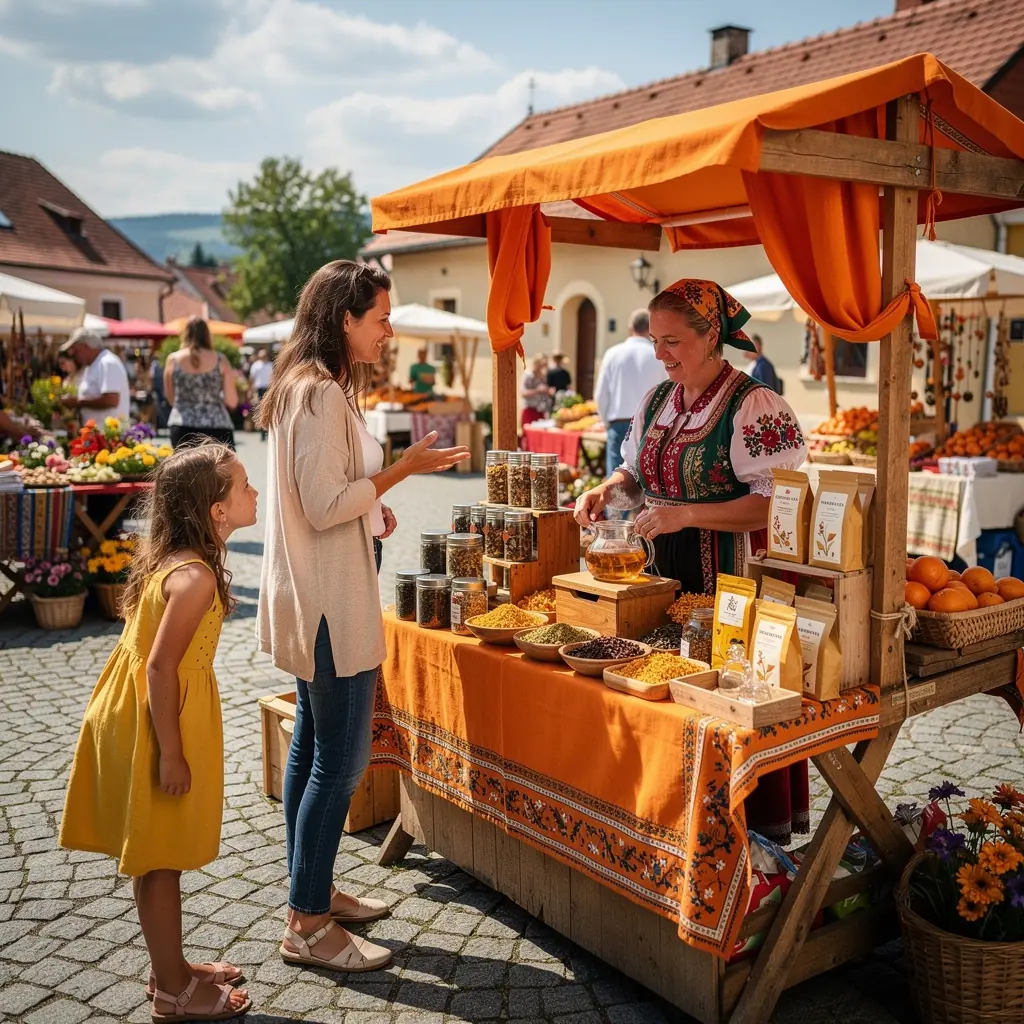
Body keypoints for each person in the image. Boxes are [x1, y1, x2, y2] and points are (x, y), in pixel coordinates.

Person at [257, 260, 469, 973]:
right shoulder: (317, 394)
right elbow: (322, 505)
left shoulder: (307, 387)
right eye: (380, 318)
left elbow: (325, 497)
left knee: (310, 749)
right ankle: (308, 924)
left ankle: (307, 890)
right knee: (338, 768)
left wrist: (370, 507)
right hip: (327, 602)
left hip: (316, 589)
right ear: (344, 319)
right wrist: (399, 470)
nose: (388, 331)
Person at [575, 279, 809, 846]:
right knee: (665, 700)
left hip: (732, 581)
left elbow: (777, 503)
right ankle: (670, 828)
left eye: (673, 341)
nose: (661, 354)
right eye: (656, 341)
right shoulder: (657, 400)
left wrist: (685, 516)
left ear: (711, 337)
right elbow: (637, 473)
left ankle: (741, 841)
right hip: (665, 578)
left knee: (722, 704)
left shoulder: (755, 404)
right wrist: (607, 489)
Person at [59, 442, 258, 1021]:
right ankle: (174, 992)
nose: (254, 493)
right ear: (216, 511)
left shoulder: (182, 558)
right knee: (162, 857)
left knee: (154, 852)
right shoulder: (193, 577)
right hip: (158, 715)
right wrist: (171, 751)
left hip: (143, 708)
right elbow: (160, 667)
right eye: (243, 485)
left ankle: (169, 965)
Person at [594, 309, 666, 481]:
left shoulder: (613, 353)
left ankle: (617, 509)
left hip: (620, 423)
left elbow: (600, 394)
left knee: (617, 486)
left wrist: (606, 423)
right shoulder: (659, 355)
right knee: (650, 482)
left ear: (630, 328)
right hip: (652, 424)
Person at [164, 317, 238, 450]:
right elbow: (232, 401)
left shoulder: (173, 360)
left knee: (184, 470)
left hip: (182, 426)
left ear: (185, 335)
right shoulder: (220, 360)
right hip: (217, 426)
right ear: (207, 335)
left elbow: (170, 399)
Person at [59, 328, 131, 424]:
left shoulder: (107, 362)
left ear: (86, 346)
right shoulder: (93, 364)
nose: (72, 354)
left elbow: (111, 400)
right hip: (99, 435)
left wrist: (77, 403)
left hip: (109, 435)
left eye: (75, 350)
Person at [520, 355, 553, 429]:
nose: (543, 368)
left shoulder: (543, 376)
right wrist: (538, 390)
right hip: (530, 411)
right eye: (542, 365)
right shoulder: (528, 375)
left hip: (541, 412)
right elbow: (523, 393)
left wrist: (548, 391)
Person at [249, 348, 274, 441]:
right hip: (259, 389)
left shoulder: (270, 365)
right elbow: (252, 378)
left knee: (268, 410)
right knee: (260, 410)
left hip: (268, 389)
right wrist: (250, 390)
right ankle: (262, 432)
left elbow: (273, 378)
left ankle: (267, 431)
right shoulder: (256, 365)